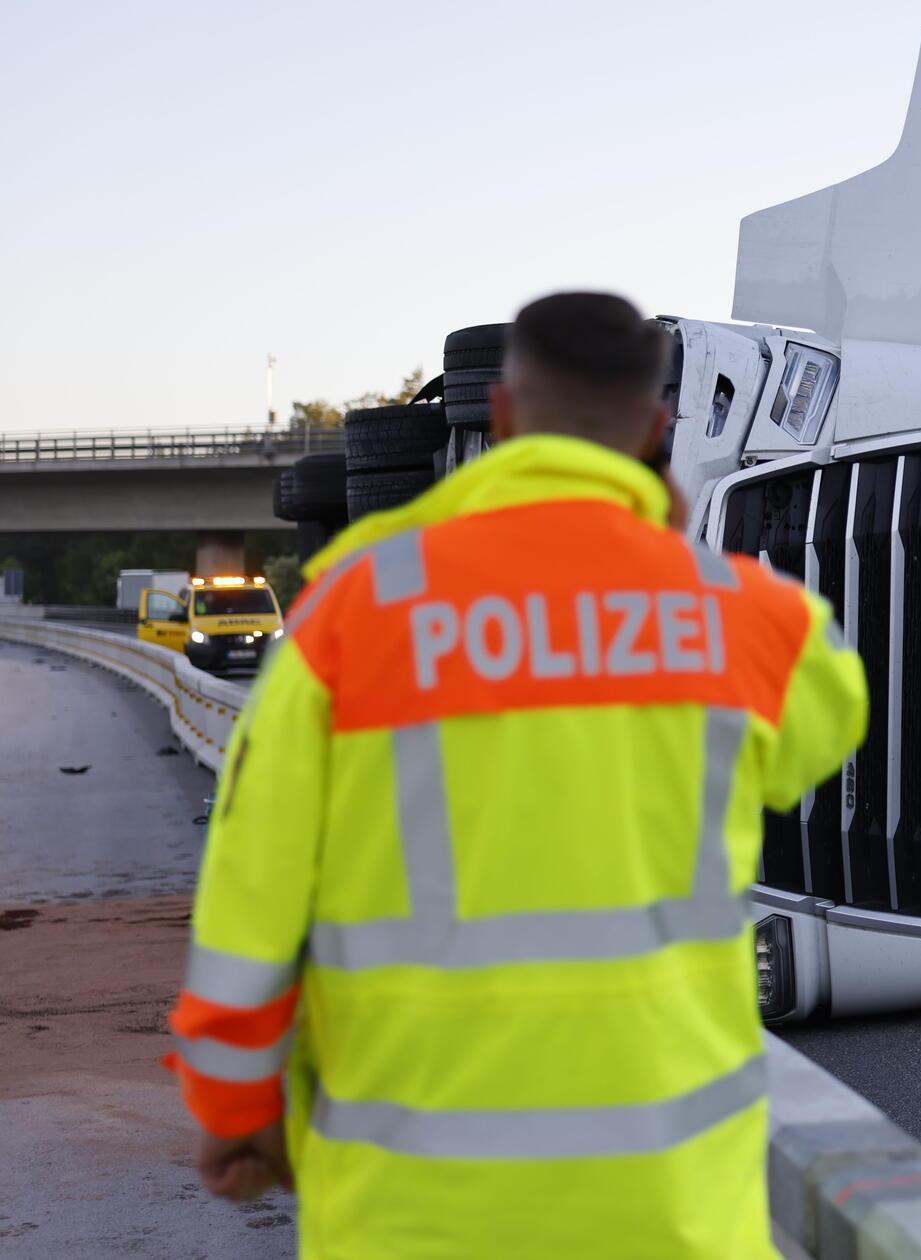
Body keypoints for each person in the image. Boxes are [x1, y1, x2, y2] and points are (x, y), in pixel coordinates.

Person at [163, 292, 866, 1257]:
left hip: (411, 1218)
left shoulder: (353, 614)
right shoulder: (748, 621)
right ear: (659, 430)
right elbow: (826, 731)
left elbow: (251, 907)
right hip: (669, 1217)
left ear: (497, 420)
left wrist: (237, 1109)